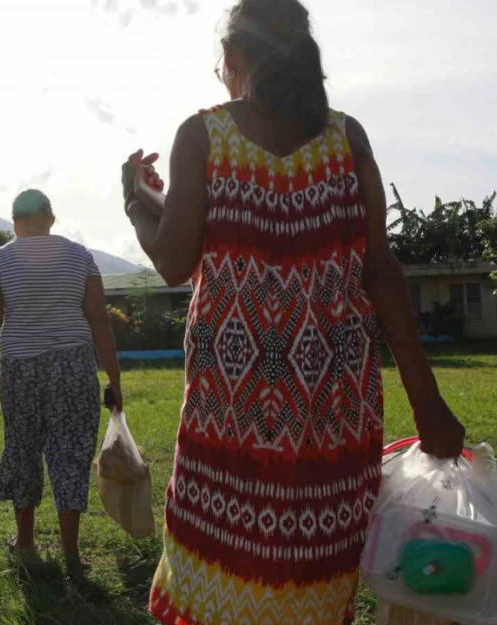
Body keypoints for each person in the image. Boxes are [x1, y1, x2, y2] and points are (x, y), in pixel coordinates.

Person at [119, 1, 467, 623]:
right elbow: (381, 274)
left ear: (232, 60)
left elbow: (173, 262)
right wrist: (428, 402)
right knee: (316, 587)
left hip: (229, 423)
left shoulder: (202, 135)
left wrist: (136, 203)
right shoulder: (345, 136)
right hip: (335, 425)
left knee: (214, 584)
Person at [0, 189, 122, 577]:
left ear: (15, 222)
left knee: (23, 448)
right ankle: (71, 553)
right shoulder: (80, 256)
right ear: (50, 218)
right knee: (70, 452)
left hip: (20, 367)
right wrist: (114, 380)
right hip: (74, 366)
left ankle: (26, 541)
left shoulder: (0, 259)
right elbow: (99, 320)